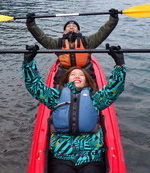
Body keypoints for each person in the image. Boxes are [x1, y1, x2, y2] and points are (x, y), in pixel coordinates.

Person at [22, 45, 126, 173]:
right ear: (67, 80)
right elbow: (34, 86)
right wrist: (28, 62)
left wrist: (119, 65)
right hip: (62, 156)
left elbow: (114, 89)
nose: (77, 76)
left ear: (86, 81)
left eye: (81, 75)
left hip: (91, 156)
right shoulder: (56, 97)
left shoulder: (95, 98)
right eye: (73, 74)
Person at [26, 9, 119, 85]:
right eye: (68, 26)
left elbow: (102, 33)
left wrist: (113, 19)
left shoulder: (87, 42)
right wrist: (31, 24)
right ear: (64, 32)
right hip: (64, 71)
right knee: (58, 84)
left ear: (78, 31)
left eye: (74, 26)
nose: (71, 27)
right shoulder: (57, 44)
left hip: (85, 70)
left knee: (92, 85)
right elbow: (41, 37)